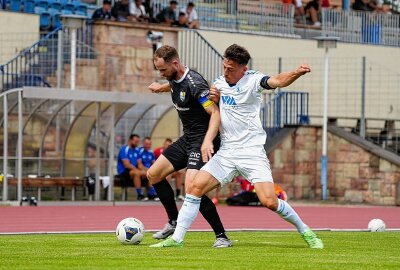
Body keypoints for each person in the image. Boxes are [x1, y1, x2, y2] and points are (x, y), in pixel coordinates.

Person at [150, 44, 324, 249]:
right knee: (194, 188)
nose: (225, 72)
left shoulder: (254, 80)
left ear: (243, 68)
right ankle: (177, 240)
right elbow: (191, 91)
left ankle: (306, 231)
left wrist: (295, 73)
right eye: (224, 66)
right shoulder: (219, 84)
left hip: (251, 153)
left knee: (269, 201)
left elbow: (277, 80)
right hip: (227, 152)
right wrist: (166, 88)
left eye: (230, 68)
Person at [146, 45, 232, 248]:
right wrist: (161, 87)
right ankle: (173, 222)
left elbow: (215, 113)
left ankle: (222, 236)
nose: (161, 74)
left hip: (202, 140)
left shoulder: (196, 84)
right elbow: (175, 85)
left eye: (163, 70)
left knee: (193, 188)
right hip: (188, 138)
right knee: (153, 174)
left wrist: (208, 140)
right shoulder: (173, 78)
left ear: (175, 63)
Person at [117, 134, 146, 200]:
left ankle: (152, 194)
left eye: (138, 142)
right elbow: (126, 165)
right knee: (136, 173)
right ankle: (140, 195)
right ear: (130, 140)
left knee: (149, 173)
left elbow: (139, 164)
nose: (137, 143)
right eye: (135, 141)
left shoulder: (137, 150)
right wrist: (138, 171)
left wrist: (146, 170)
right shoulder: (124, 149)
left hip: (133, 170)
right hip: (123, 171)